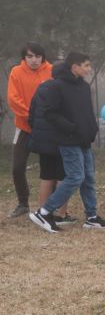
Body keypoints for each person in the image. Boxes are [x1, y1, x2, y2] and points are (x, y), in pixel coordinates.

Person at [28, 52, 105, 232]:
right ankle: (44, 212)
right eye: (86, 65)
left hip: (84, 140)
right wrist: (71, 127)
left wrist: (91, 129)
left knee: (88, 178)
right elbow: (50, 113)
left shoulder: (84, 87)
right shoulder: (56, 86)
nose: (89, 69)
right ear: (75, 66)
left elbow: (87, 112)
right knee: (76, 177)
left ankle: (91, 218)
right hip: (68, 140)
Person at [6, 43, 52, 217]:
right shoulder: (16, 72)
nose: (34, 60)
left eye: (38, 56)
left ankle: (50, 205)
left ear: (43, 57)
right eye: (30, 56)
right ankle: (23, 203)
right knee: (17, 167)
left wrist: (45, 118)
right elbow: (13, 99)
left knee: (51, 168)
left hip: (47, 128)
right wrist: (31, 116)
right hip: (24, 127)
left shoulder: (51, 71)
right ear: (24, 58)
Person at [27, 62, 74, 227]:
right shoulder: (66, 89)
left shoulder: (42, 88)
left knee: (46, 176)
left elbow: (31, 115)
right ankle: (61, 214)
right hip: (61, 139)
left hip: (43, 141)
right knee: (63, 177)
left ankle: (42, 212)